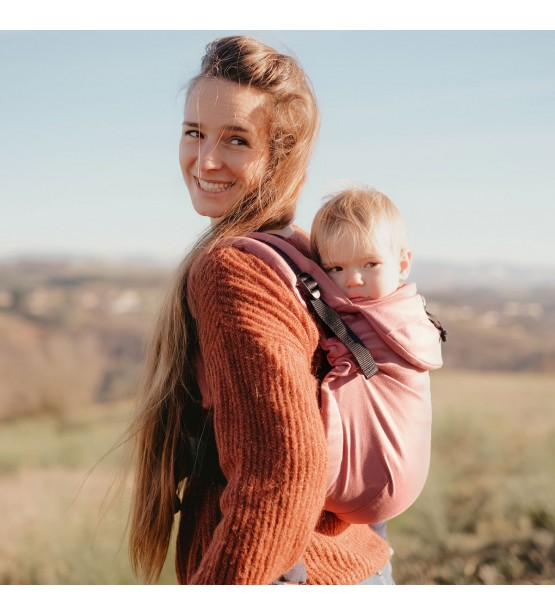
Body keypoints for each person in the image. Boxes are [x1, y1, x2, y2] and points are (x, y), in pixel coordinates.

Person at [127, 35, 393, 585]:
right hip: (354, 564)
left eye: (237, 140)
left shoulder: (234, 271)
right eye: (193, 133)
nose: (206, 160)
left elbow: (283, 471)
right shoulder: (299, 250)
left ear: (280, 154)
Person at [309, 186, 445, 544]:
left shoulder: (383, 322)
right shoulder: (411, 314)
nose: (353, 280)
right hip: (395, 488)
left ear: (402, 264)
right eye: (335, 268)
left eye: (370, 264)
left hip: (361, 487)